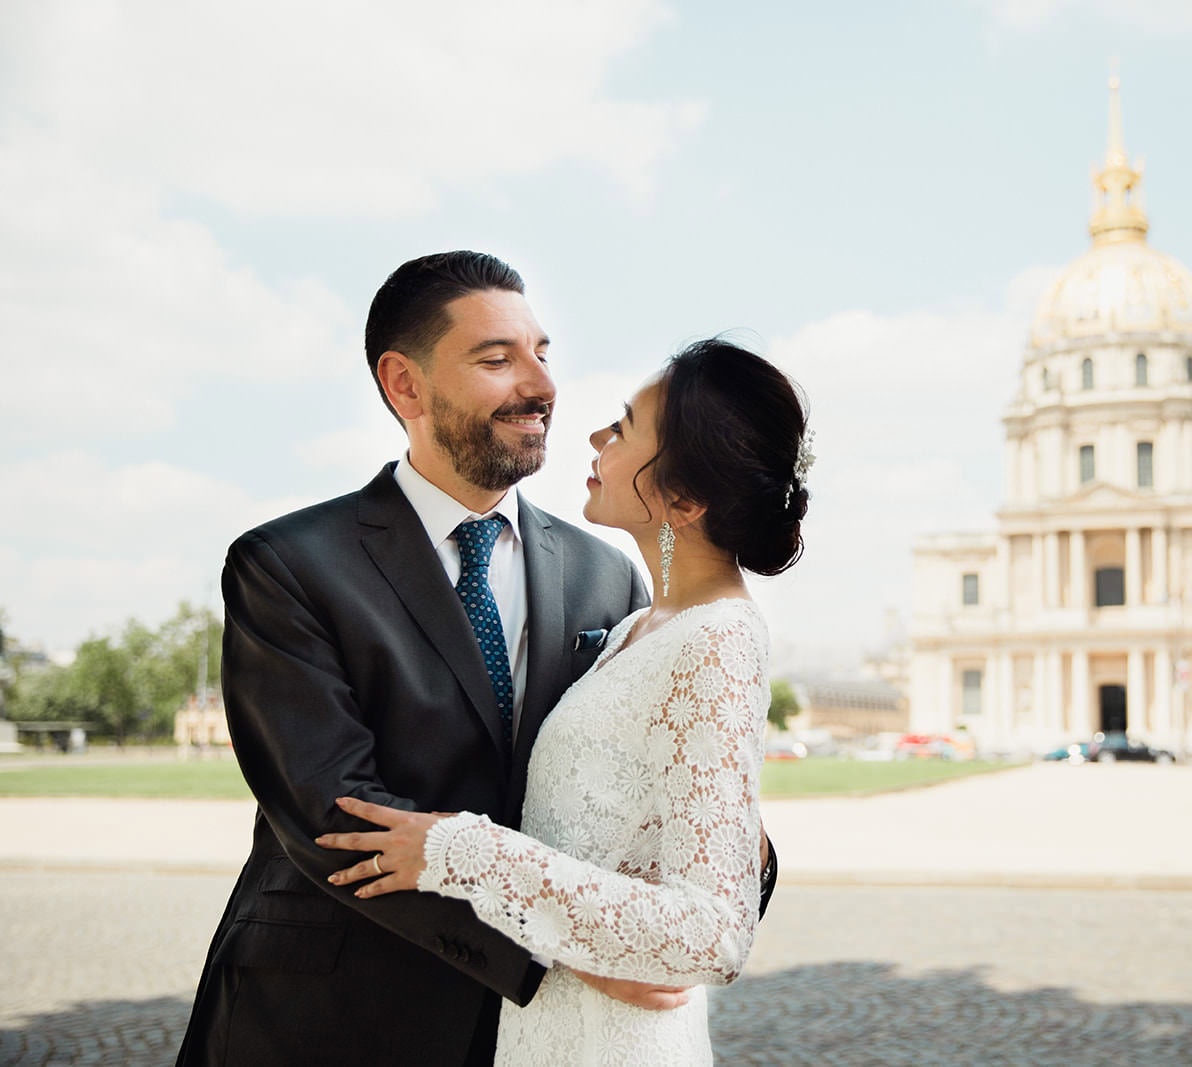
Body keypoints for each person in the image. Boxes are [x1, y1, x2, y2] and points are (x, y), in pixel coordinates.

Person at [177, 252, 776, 1066]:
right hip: (327, 1018)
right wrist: (560, 948)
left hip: (531, 1040)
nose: (541, 384)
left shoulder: (608, 575)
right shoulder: (288, 565)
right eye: (497, 359)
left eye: (542, 352)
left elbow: (673, 783)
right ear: (406, 386)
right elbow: (337, 820)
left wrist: (682, 913)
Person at [316, 337, 812, 1065]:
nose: (594, 437)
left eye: (624, 427)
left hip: (618, 1041)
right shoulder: (637, 627)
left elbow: (713, 931)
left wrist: (463, 849)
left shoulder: (719, 639)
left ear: (684, 497)